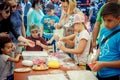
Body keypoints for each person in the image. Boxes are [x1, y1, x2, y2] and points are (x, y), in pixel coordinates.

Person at [91, 2, 120, 80]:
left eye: (109, 20)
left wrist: (103, 64)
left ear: (118, 18)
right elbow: (101, 46)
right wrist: (96, 57)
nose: (106, 23)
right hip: (100, 73)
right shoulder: (103, 30)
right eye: (104, 20)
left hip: (113, 75)